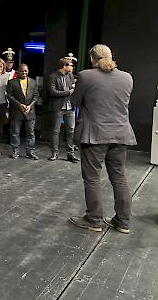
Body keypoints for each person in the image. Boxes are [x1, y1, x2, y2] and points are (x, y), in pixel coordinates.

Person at [69, 44, 135, 234]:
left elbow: (74, 102)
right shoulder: (127, 77)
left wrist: (76, 90)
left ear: (92, 58)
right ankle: (123, 222)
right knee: (119, 177)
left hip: (95, 135)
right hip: (120, 134)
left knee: (92, 178)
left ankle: (94, 220)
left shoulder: (85, 75)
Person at [47, 57, 79, 162]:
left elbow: (72, 89)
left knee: (71, 130)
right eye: (70, 65)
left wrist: (74, 88)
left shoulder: (70, 76)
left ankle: (70, 153)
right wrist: (68, 92)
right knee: (56, 131)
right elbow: (52, 92)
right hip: (58, 107)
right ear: (64, 66)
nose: (72, 67)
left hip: (70, 106)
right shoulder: (53, 76)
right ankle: (54, 153)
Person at [6, 64, 39, 159]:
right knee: (15, 132)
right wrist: (19, 105)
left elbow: (36, 96)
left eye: (26, 71)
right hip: (17, 111)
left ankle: (30, 152)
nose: (24, 73)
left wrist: (30, 106)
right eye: (22, 71)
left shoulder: (33, 82)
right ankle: (15, 151)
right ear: (17, 72)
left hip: (30, 111)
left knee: (31, 133)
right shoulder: (12, 82)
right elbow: (9, 96)